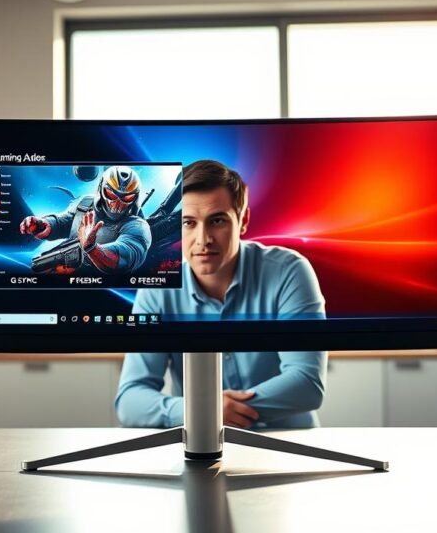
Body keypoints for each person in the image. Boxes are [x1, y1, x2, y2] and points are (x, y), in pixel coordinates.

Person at [115, 159, 327, 430]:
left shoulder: (289, 272)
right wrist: (204, 411)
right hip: (199, 448)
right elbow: (130, 401)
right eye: (189, 223)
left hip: (289, 447)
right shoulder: (158, 290)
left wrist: (213, 411)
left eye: (217, 221)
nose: (203, 239)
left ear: (244, 220)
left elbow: (306, 383)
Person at [19, 165, 151, 274]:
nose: (117, 204)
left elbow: (124, 258)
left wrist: (91, 248)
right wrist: (43, 224)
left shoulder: (137, 226)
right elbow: (64, 222)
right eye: (111, 194)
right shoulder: (86, 203)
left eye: (126, 198)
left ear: (135, 198)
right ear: (101, 189)